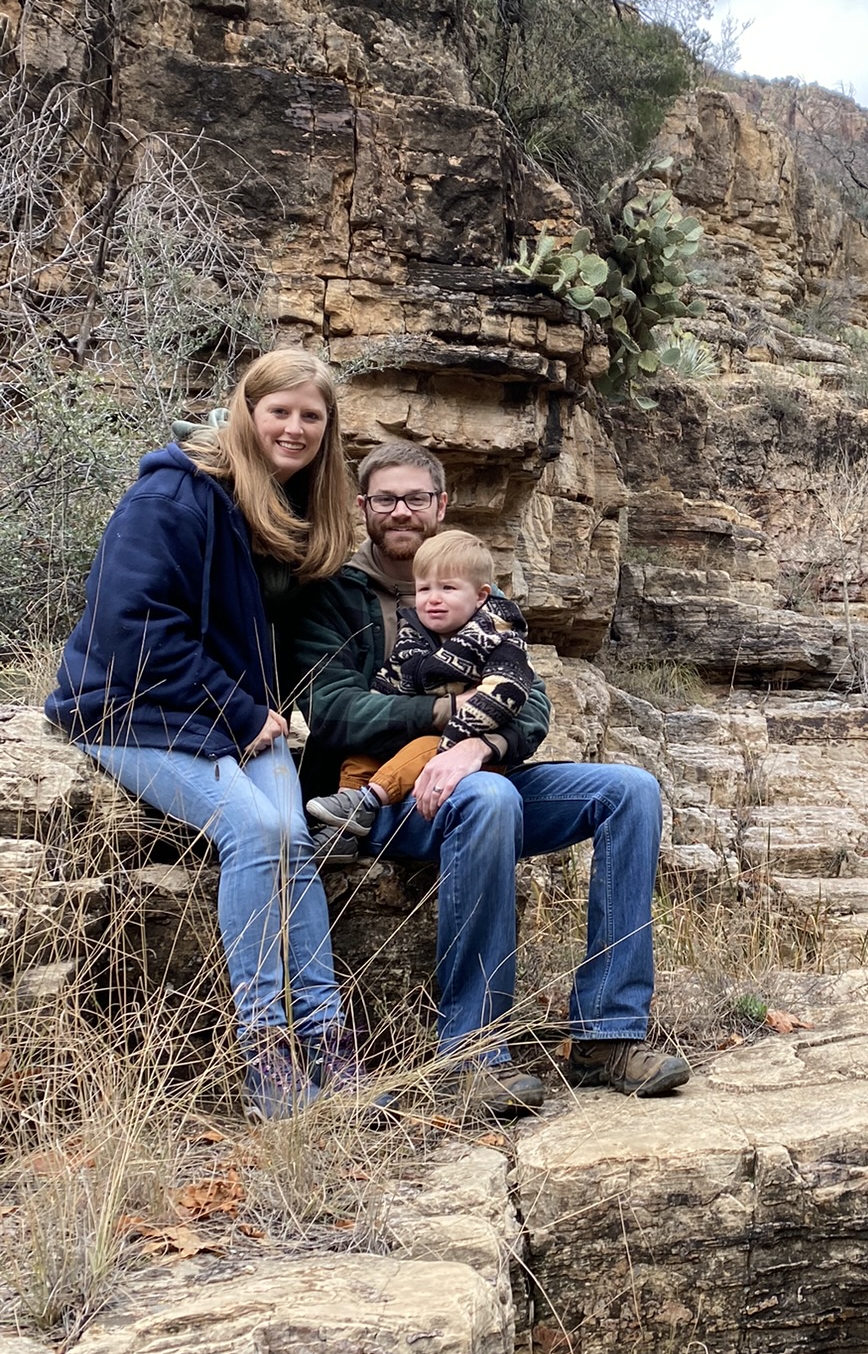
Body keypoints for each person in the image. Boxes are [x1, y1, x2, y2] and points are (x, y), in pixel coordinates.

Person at [290, 438, 688, 1108]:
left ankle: (606, 1036)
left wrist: (477, 747)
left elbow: (530, 702)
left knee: (631, 792)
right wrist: (445, 711)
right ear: (362, 507)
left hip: (475, 774)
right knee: (490, 800)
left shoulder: (479, 590)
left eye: (417, 498)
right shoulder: (332, 593)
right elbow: (327, 709)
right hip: (376, 799)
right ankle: (471, 1056)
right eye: (386, 498)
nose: (401, 510)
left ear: (440, 504)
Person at [46, 349, 359, 1120]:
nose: (293, 427)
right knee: (252, 827)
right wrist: (245, 711)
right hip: (123, 707)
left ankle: (324, 1031)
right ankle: (265, 1048)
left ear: (327, 431)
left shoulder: (265, 501)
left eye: (310, 416)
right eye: (278, 410)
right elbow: (134, 628)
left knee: (291, 831)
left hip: (217, 715)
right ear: (246, 413)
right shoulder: (173, 495)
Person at [303, 528, 539, 857]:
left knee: (426, 747)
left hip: (466, 749)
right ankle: (343, 829)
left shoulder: (498, 635)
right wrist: (401, 717)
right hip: (413, 738)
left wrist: (459, 730)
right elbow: (389, 684)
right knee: (360, 756)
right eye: (424, 589)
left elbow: (509, 688)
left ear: (482, 595)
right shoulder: (415, 634)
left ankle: (368, 801)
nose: (434, 598)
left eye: (448, 588)